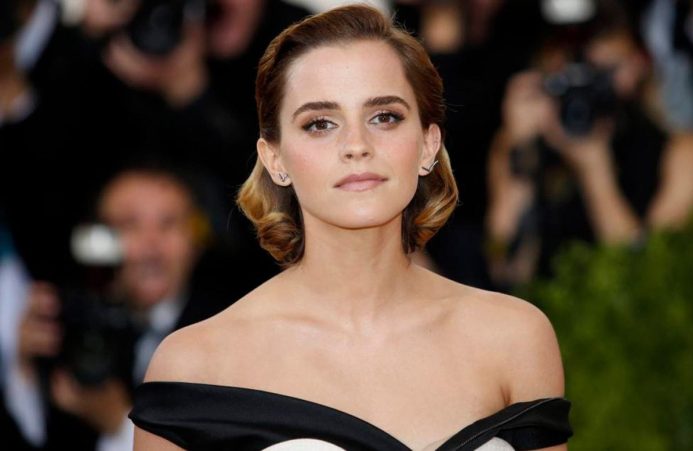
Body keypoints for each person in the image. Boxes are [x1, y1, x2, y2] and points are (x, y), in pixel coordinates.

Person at [130, 5, 572, 450]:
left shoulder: (513, 337)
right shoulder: (196, 365)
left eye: (384, 117)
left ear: (428, 144)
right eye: (320, 124)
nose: (357, 146)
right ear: (274, 159)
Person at [3, 166, 245, 450]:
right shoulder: (70, 320)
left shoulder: (228, 334)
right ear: (96, 241)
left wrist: (118, 424)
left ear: (195, 241)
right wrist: (25, 369)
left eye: (169, 224)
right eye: (130, 225)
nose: (151, 244)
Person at [486, 1, 693, 289]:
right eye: (573, 75)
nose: (585, 91)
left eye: (601, 74)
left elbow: (648, 281)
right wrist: (521, 152)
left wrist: (595, 173)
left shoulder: (682, 153)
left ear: (639, 63)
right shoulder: (525, 148)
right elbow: (506, 271)